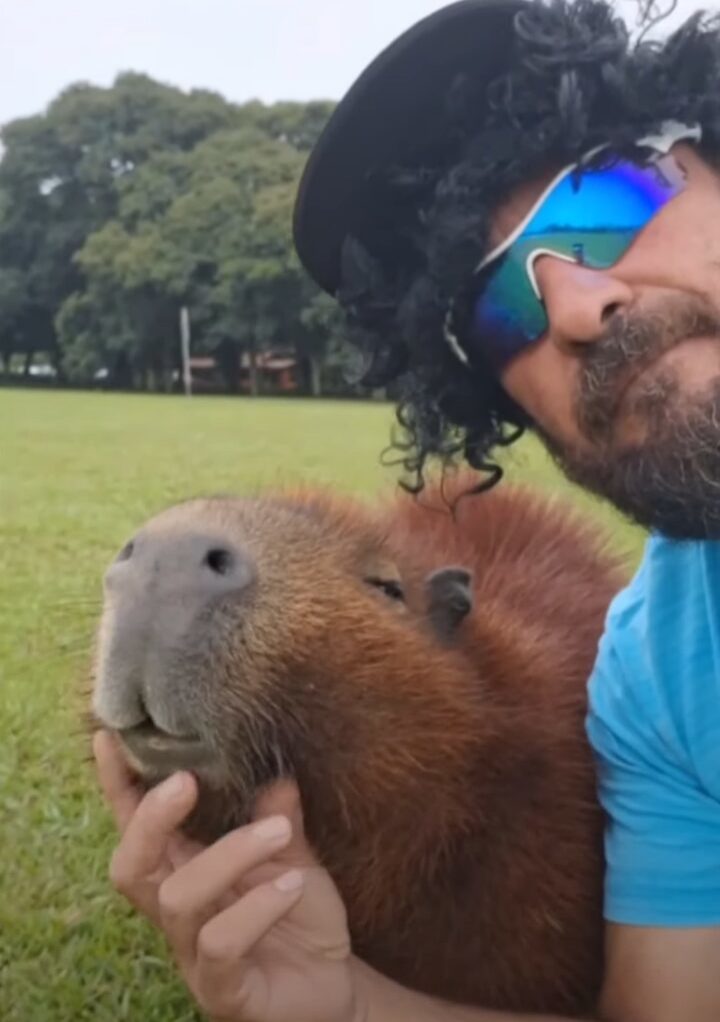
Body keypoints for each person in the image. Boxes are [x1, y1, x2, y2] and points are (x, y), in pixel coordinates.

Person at [94, 0, 720, 1019]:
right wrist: (346, 1000)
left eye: (611, 193)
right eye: (499, 305)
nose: (574, 306)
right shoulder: (658, 688)